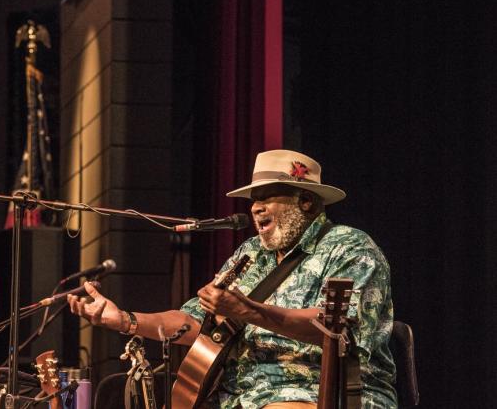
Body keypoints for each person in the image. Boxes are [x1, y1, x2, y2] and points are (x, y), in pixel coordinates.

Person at [67, 150, 397, 409]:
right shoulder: (250, 253)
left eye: (267, 196)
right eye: (254, 199)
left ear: (306, 201)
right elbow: (195, 321)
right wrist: (126, 320)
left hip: (315, 392)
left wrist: (248, 311)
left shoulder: (349, 248)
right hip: (236, 397)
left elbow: (338, 329)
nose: (256, 208)